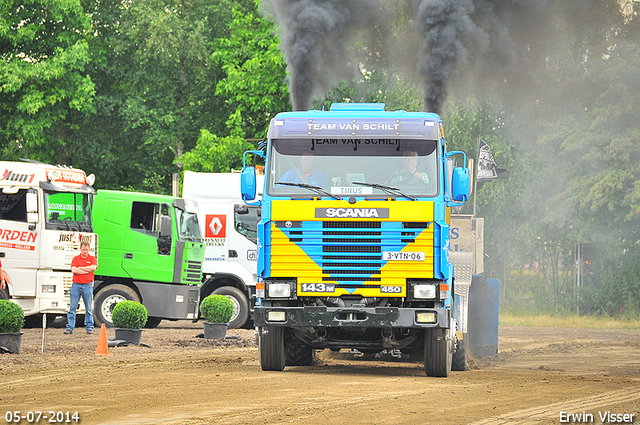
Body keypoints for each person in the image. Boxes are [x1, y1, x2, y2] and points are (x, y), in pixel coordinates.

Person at [66, 241, 97, 334]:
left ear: (89, 249)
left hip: (87, 285)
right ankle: (70, 327)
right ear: (80, 249)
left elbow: (94, 267)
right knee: (72, 307)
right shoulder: (75, 258)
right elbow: (74, 270)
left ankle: (89, 327)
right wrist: (87, 270)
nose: (85, 251)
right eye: (83, 249)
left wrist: (81, 268)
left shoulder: (92, 258)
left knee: (88, 307)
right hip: (76, 285)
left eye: (87, 249)